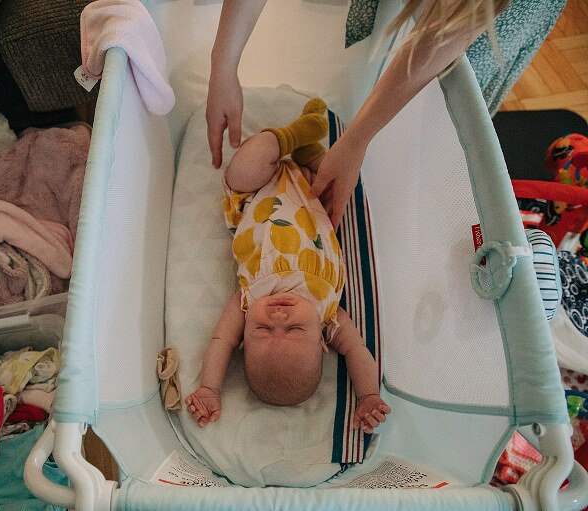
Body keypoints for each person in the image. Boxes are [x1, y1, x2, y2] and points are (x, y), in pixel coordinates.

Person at [206, 0, 510, 228]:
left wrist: (356, 140)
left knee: (450, 84)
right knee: (248, 167)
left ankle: (299, 141)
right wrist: (223, 65)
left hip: (476, 26)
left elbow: (447, 33)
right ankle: (296, 140)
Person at [185, 98, 391, 434]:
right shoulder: (329, 315)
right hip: (315, 196)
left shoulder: (247, 300)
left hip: (256, 190)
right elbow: (356, 350)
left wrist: (210, 388)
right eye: (294, 329)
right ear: (323, 343)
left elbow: (219, 341)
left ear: (244, 340)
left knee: (243, 166)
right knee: (340, 184)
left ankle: (292, 137)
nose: (278, 318)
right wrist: (368, 394)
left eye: (263, 330)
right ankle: (306, 153)